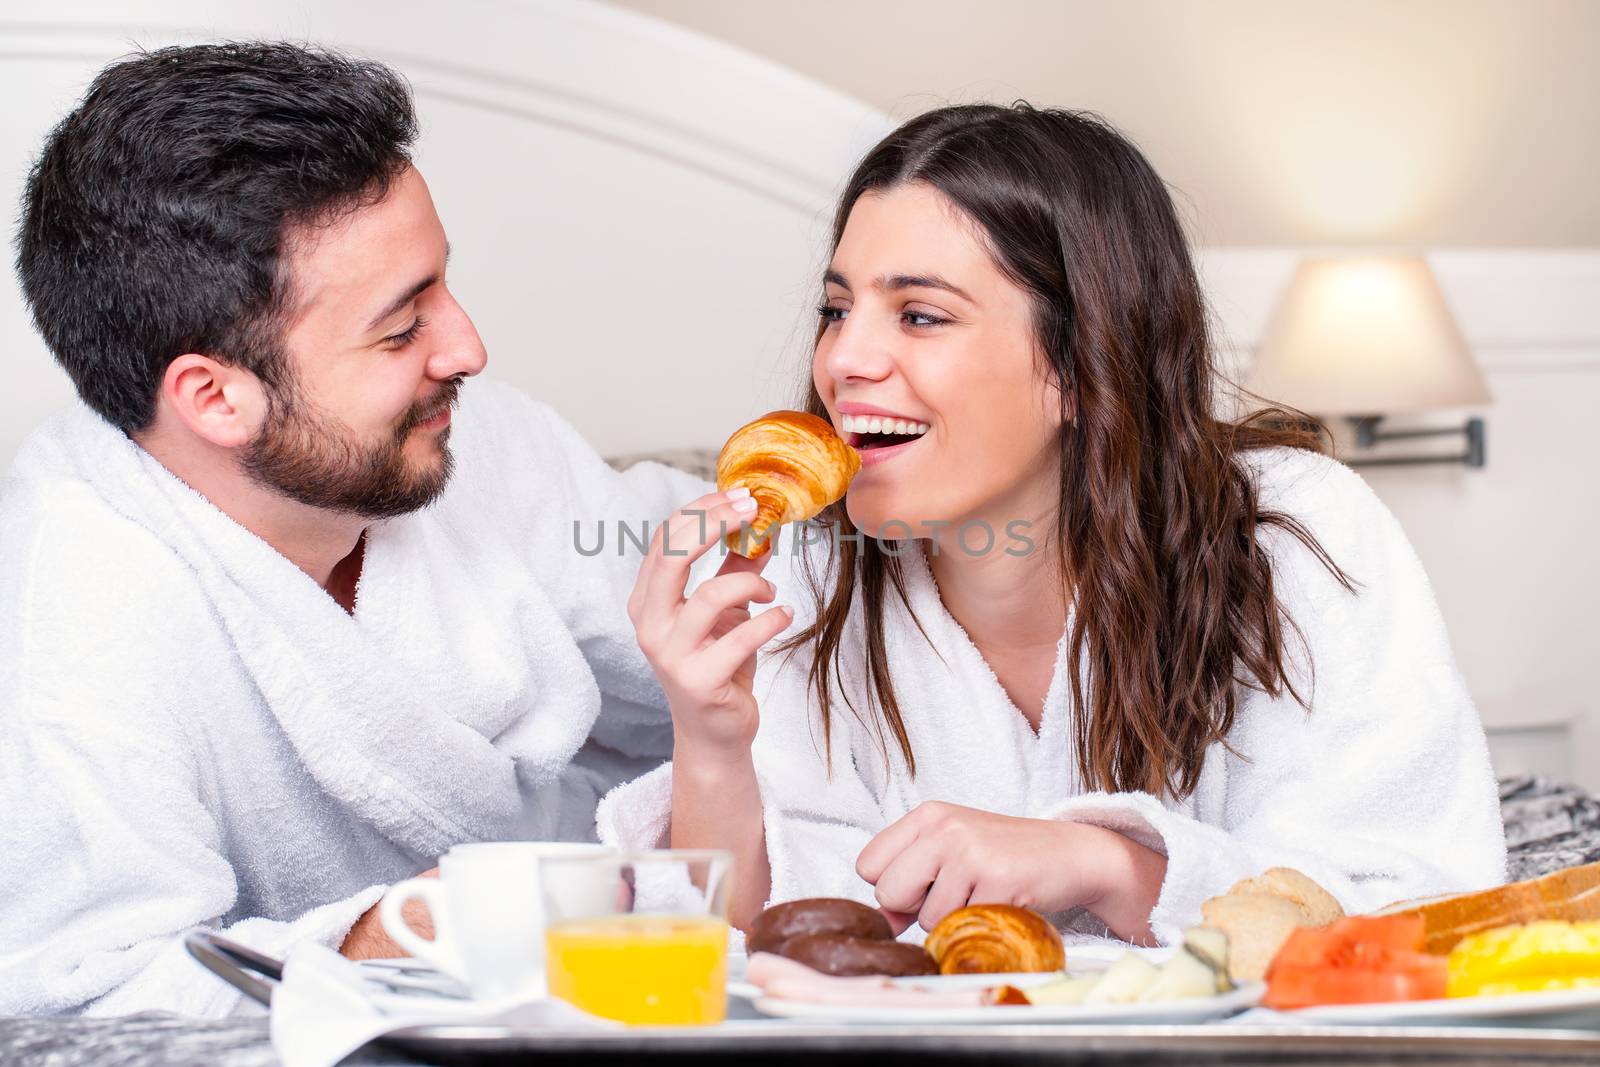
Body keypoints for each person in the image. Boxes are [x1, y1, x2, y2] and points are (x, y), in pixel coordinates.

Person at [601, 104, 1507, 945]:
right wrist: (711, 742)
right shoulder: (812, 566)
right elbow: (747, 939)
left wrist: (1108, 864)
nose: (844, 358)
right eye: (837, 310)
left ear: (1079, 367)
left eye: (919, 315)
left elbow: (1411, 900)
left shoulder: (1291, 531)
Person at [0, 42, 730, 1015]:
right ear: (214, 396)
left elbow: (782, 647)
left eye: (440, 285)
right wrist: (394, 936)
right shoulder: (64, 616)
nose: (467, 346)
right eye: (401, 329)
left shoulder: (488, 449)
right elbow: (81, 986)